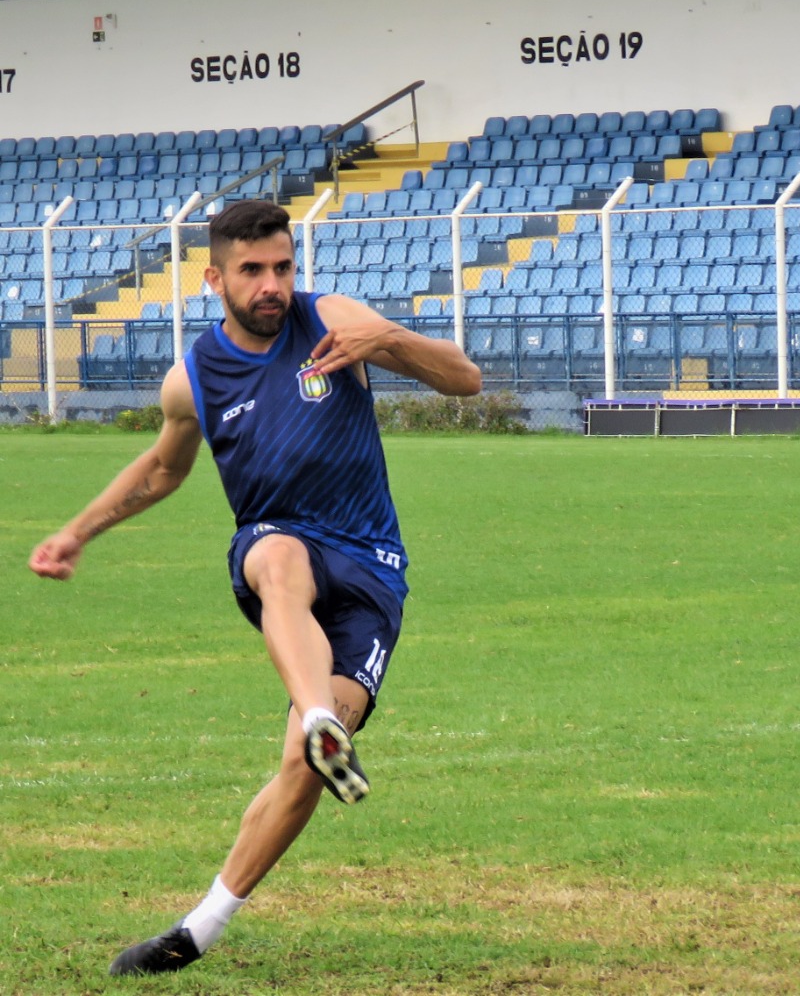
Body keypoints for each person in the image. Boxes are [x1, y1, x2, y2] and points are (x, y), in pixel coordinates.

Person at [28, 199, 482, 975]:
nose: (272, 285)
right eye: (252, 271)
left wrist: (391, 340)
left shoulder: (332, 319)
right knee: (277, 556)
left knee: (302, 770)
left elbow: (465, 381)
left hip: (372, 569)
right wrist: (78, 531)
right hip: (276, 557)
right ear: (214, 279)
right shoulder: (194, 377)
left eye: (282, 267)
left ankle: (197, 929)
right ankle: (316, 715)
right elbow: (163, 470)